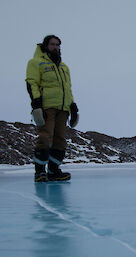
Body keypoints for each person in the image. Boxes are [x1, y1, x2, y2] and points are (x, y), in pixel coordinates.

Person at [25, 35, 79, 182]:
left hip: (63, 108)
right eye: (53, 44)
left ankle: (54, 171)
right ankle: (40, 171)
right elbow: (32, 83)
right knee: (45, 137)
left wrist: (73, 106)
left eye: (58, 45)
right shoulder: (36, 63)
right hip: (47, 107)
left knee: (60, 140)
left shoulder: (63, 67)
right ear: (45, 46)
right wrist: (36, 104)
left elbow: (67, 88)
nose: (56, 47)